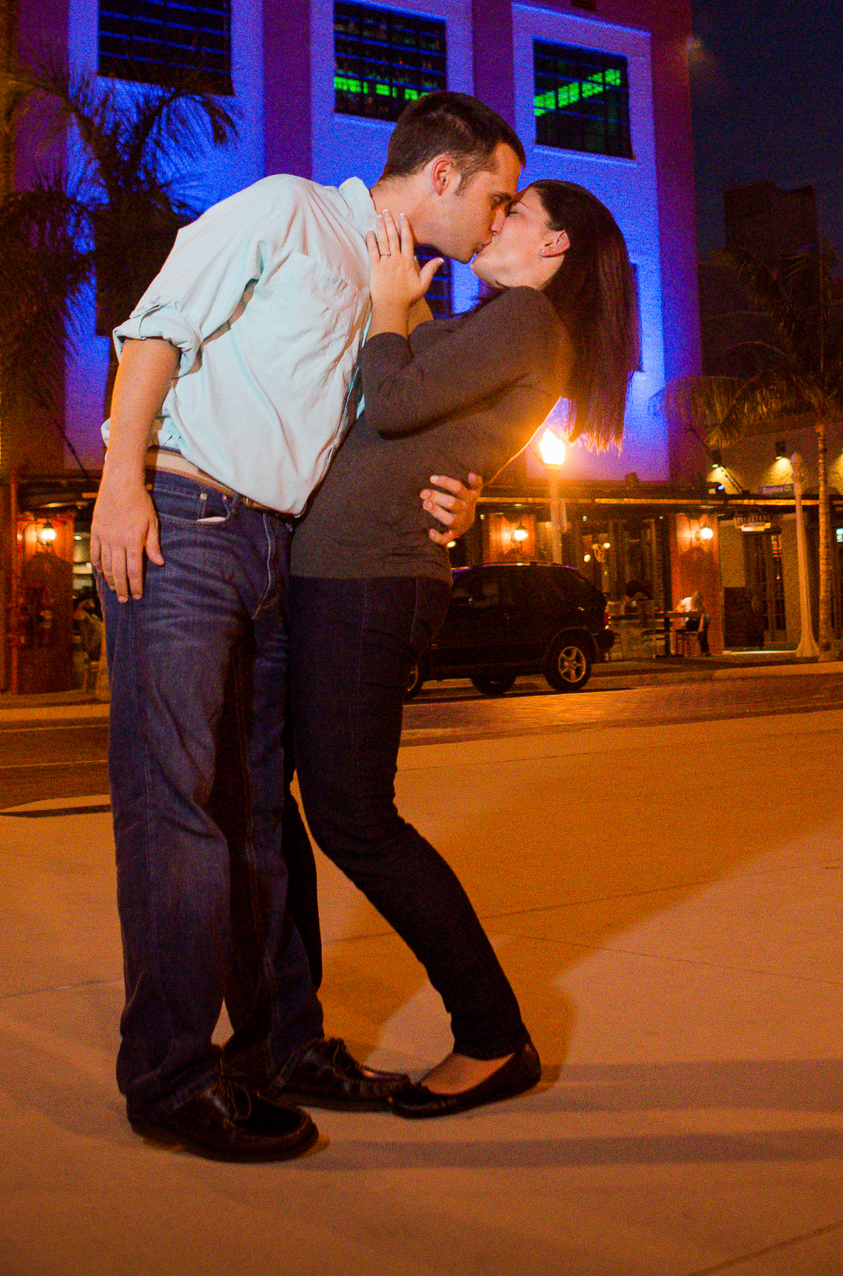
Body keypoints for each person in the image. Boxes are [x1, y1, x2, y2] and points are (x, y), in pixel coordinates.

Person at [91, 91, 523, 1164]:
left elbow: (399, 432)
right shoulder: (286, 211)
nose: (497, 220)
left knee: (262, 820)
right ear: (441, 179)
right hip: (183, 524)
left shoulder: (400, 298)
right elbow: (156, 327)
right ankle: (169, 1078)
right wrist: (117, 483)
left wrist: (461, 497)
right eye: (496, 197)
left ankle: (280, 1047)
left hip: (286, 555)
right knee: (178, 806)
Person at [280, 176, 639, 1118]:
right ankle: (285, 1028)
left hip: (370, 580)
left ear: (554, 246)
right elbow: (412, 426)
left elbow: (392, 404)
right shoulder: (509, 323)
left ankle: (492, 1035)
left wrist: (392, 310)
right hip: (346, 572)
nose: (496, 220)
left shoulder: (525, 319)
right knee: (328, 811)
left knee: (354, 818)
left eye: (516, 213)